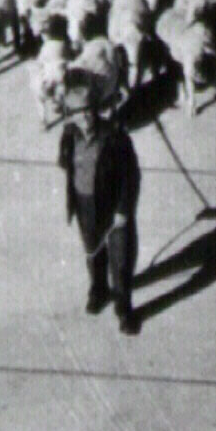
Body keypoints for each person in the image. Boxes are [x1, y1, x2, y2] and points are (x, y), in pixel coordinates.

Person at [58, 76, 143, 334]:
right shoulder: (69, 136)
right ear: (70, 117)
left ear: (95, 109)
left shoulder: (115, 136)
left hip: (113, 205)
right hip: (85, 203)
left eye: (88, 111)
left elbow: (132, 175)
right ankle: (99, 290)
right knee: (93, 252)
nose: (85, 118)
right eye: (77, 114)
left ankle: (124, 310)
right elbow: (65, 163)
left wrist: (123, 210)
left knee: (121, 259)